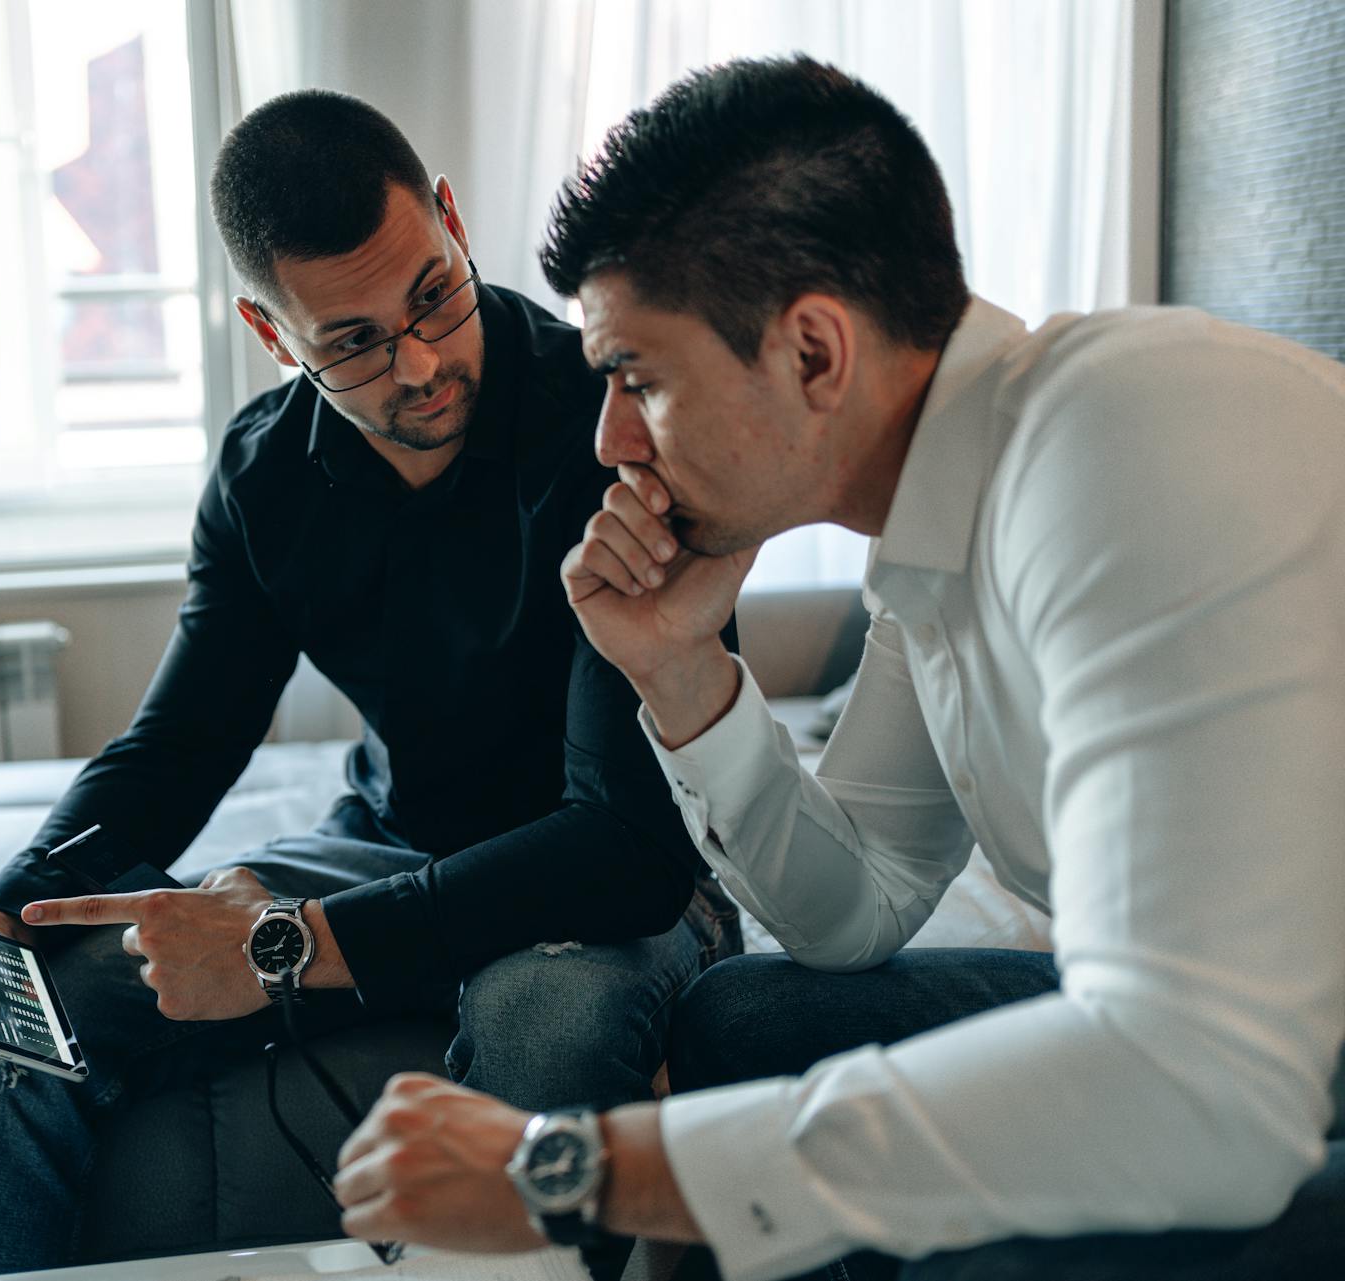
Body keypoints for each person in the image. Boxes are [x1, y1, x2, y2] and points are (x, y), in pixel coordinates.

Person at [330, 55, 1345, 1281]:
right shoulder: (939, 541)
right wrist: (680, 671)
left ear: (814, 351)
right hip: (1235, 1041)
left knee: (978, 1258)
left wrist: (577, 1170)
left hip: (1258, 1068)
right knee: (750, 1021)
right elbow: (851, 915)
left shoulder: (1125, 442)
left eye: (638, 379)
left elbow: (1202, 1086)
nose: (609, 441)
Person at [0, 88, 741, 1281]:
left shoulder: (616, 422)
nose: (421, 362)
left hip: (611, 883)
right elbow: (177, 748)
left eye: (433, 292)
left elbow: (620, 848)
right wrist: (8, 910)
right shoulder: (264, 472)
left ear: (450, 219)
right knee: (28, 1015)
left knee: (550, 1019)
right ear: (274, 336)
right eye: (354, 342)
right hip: (393, 847)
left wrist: (289, 941)